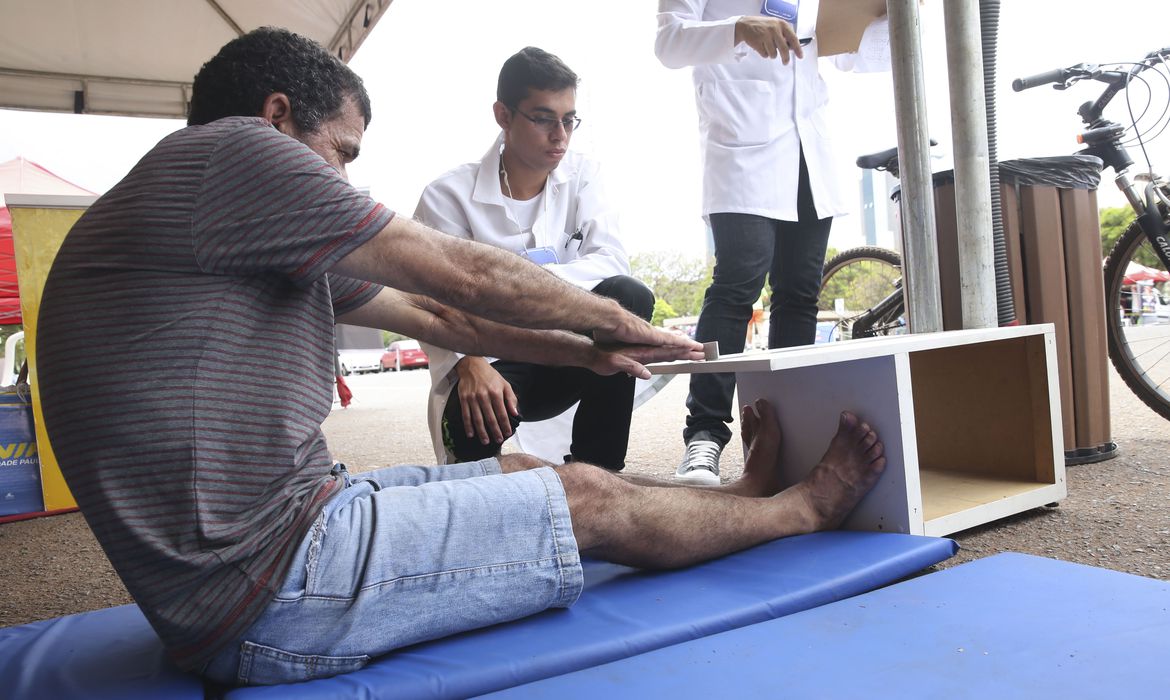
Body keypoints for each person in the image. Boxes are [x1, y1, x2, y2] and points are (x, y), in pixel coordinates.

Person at [35, 27, 886, 687]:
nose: (342, 180)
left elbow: (440, 315)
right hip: (267, 589)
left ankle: (738, 498)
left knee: (524, 471)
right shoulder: (235, 154)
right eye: (342, 153)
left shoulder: (213, 210)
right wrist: (613, 320)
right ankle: (799, 512)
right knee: (580, 497)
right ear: (277, 116)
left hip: (278, 539)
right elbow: (465, 276)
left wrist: (586, 353)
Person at [415, 46, 653, 472]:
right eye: (544, 119)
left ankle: (599, 471)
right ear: (503, 115)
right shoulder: (447, 196)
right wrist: (468, 362)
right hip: (493, 358)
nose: (560, 135)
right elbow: (431, 299)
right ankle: (478, 475)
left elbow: (612, 261)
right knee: (470, 434)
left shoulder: (583, 175)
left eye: (569, 120)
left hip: (573, 353)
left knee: (628, 296)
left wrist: (523, 286)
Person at [655, 0, 851, 485]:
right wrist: (738, 28)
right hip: (741, 140)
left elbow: (849, 53)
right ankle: (704, 436)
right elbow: (669, 42)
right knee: (737, 285)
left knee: (800, 294)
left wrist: (880, 18)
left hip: (808, 143)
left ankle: (788, 435)